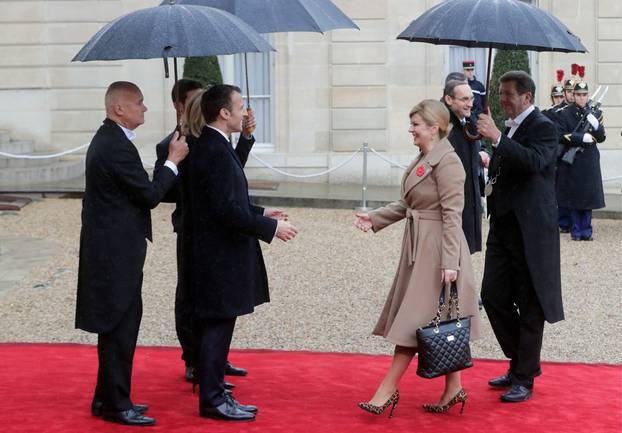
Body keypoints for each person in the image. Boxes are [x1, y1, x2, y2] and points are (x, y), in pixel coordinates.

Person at [355, 99, 480, 417]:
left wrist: (450, 262)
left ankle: (387, 390)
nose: (410, 130)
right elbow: (410, 204)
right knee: (444, 318)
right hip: (422, 247)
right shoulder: (427, 156)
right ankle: (454, 388)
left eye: (415, 125)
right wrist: (375, 218)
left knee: (415, 320)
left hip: (439, 250)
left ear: (433, 127)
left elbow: (453, 215)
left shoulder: (448, 162)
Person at [181, 84, 298, 422]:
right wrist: (271, 229)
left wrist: (261, 214)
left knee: (217, 323)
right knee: (218, 323)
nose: (246, 110)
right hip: (219, 254)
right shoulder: (213, 150)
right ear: (224, 113)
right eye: (241, 105)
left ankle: (213, 390)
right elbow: (225, 211)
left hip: (216, 251)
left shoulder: (215, 145)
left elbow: (229, 199)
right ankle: (213, 400)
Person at [75, 81, 188, 426]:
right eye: (139, 103)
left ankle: (106, 398)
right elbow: (149, 195)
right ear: (118, 108)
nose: (145, 108)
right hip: (114, 254)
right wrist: (172, 161)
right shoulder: (114, 146)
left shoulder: (112, 140)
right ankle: (115, 404)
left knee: (119, 326)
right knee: (120, 327)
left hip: (114, 250)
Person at [154, 79, 253, 385]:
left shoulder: (211, 140)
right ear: (180, 105)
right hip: (192, 228)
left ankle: (214, 362)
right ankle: (195, 359)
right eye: (195, 99)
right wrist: (176, 159)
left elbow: (231, 171)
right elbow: (166, 190)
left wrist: (246, 138)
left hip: (214, 226)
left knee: (218, 303)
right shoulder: (177, 143)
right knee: (191, 298)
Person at [476, 71, 564, 403]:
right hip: (503, 227)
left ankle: (523, 375)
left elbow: (535, 162)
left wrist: (498, 139)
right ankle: (522, 361)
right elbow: (507, 168)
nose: (501, 99)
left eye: (507, 94)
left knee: (530, 302)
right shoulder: (509, 126)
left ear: (526, 97)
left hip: (532, 231)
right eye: (500, 93)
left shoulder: (543, 126)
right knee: (493, 295)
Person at [554, 78, 606, 240]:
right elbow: (561, 135)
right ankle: (577, 231)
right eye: (578, 95)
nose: (582, 98)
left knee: (588, 196)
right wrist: (580, 137)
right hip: (574, 160)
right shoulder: (565, 113)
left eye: (584, 95)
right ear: (573, 96)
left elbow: (602, 137)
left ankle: (587, 230)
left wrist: (596, 126)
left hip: (589, 160)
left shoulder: (595, 113)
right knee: (575, 196)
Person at [443, 79, 488, 254]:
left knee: (463, 252)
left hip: (470, 195)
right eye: (464, 100)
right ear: (448, 100)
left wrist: (480, 155)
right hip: (453, 198)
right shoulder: (444, 125)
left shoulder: (468, 120)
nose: (470, 104)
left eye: (471, 99)